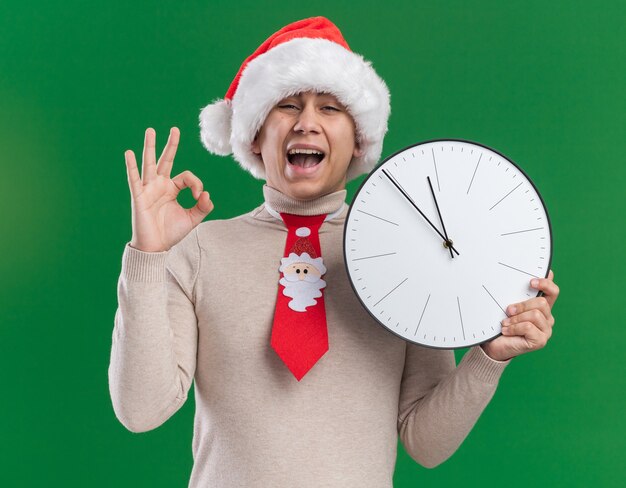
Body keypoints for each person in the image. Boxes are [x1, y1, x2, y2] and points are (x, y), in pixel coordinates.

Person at [108, 16, 560, 487]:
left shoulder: (408, 251)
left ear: (359, 138)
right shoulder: (199, 249)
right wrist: (147, 256)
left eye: (329, 107)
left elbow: (425, 444)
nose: (306, 123)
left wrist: (489, 357)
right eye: (286, 104)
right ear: (254, 135)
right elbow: (142, 410)